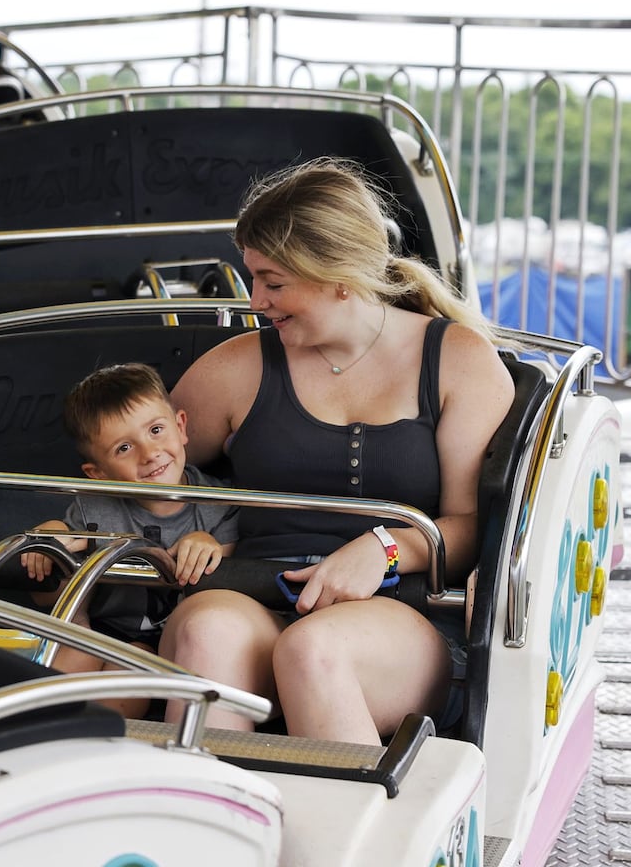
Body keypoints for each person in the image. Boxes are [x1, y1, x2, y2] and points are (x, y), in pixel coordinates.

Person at [156, 157, 514, 745]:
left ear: (339, 276)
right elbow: (145, 469)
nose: (256, 301)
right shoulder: (234, 369)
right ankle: (207, 824)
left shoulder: (458, 361)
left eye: (274, 282)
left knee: (315, 650)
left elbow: (474, 525)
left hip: (399, 611)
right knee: (208, 633)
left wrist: (382, 549)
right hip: (252, 589)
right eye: (252, 278)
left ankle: (356, 832)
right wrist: (192, 529)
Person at [22, 362, 238, 717]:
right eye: (124, 448)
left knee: (133, 666)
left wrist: (210, 545)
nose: (149, 453)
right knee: (78, 647)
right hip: (102, 629)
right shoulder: (93, 508)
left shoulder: (221, 506)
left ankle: (94, 746)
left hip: (172, 644)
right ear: (99, 473)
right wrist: (50, 546)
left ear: (181, 427)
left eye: (156, 430)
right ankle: (43, 735)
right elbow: (50, 598)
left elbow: (234, 572)